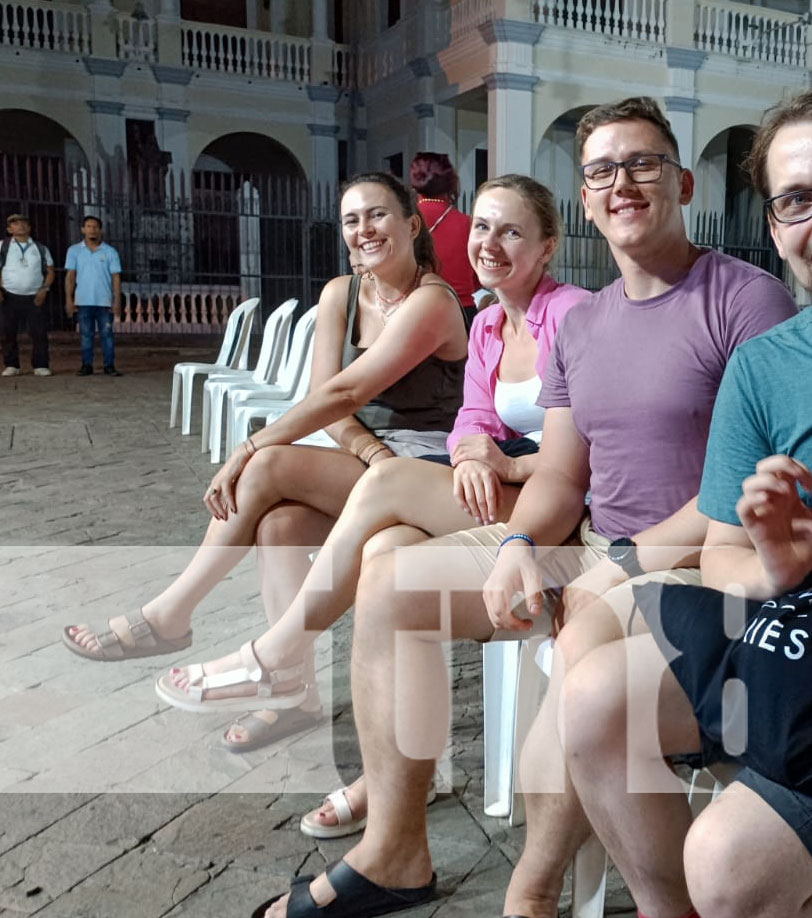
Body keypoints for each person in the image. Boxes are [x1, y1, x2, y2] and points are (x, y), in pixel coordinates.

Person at [245, 98, 797, 918]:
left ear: (685, 181)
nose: (624, 183)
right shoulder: (584, 324)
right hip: (592, 541)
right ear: (585, 200)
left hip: (699, 559)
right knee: (391, 587)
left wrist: (614, 564)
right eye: (604, 170)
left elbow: (745, 485)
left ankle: (530, 900)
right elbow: (562, 477)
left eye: (645, 163)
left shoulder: (744, 299)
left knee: (583, 642)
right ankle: (394, 850)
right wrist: (515, 546)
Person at [559, 82, 812, 918]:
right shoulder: (769, 365)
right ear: (773, 227)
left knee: (731, 867)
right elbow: (722, 547)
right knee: (595, 698)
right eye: (797, 201)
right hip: (807, 632)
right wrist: (771, 566)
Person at [151, 175, 587, 764]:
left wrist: (504, 466)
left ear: (548, 245)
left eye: (512, 231)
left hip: (551, 502)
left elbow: (584, 450)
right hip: (491, 485)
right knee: (374, 547)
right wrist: (468, 453)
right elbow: (471, 418)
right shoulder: (487, 321)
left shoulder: (572, 314)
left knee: (380, 480)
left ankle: (274, 654)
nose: (489, 243)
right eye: (482, 227)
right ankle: (387, 769)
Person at [62, 173, 468, 749]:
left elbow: (342, 396)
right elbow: (327, 407)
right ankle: (294, 692)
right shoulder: (339, 294)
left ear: (410, 225)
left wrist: (250, 445)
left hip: (425, 466)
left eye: (377, 215)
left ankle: (170, 615)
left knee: (268, 466)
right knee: (278, 525)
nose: (364, 230)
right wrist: (369, 450)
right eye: (351, 220)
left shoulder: (432, 300)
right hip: (367, 459)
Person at [411, 152, 482, 329]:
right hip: (461, 310)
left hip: (415, 309)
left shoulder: (405, 221)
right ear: (451, 181)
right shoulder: (468, 223)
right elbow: (479, 275)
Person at [64, 215, 122, 376]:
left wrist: (116, 300)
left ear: (101, 230)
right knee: (86, 335)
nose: (92, 230)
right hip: (83, 301)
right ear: (83, 229)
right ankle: (86, 365)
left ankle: (109, 365)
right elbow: (70, 276)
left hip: (104, 301)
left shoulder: (110, 252)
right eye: (89, 226)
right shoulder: (74, 251)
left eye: (95, 227)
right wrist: (69, 299)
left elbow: (116, 278)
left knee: (107, 335)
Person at [0, 212, 55, 376]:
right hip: (8, 295)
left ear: (30, 228)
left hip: (34, 296)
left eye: (24, 223)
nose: (21, 226)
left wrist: (44, 289)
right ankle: (12, 365)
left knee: (39, 332)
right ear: (9, 229)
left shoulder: (40, 248)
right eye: (15, 224)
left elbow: (50, 271)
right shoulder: (3, 246)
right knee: (8, 331)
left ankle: (40, 364)